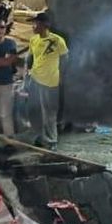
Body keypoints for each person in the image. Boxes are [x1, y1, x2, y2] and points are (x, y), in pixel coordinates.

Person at [27, 12, 68, 149]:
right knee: (35, 110)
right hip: (35, 78)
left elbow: (65, 59)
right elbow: (30, 57)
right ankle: (41, 136)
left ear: (45, 25)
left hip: (50, 81)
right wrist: (27, 73)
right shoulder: (33, 40)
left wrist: (61, 75)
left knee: (49, 112)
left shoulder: (57, 41)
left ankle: (52, 140)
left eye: (36, 23)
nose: (33, 26)